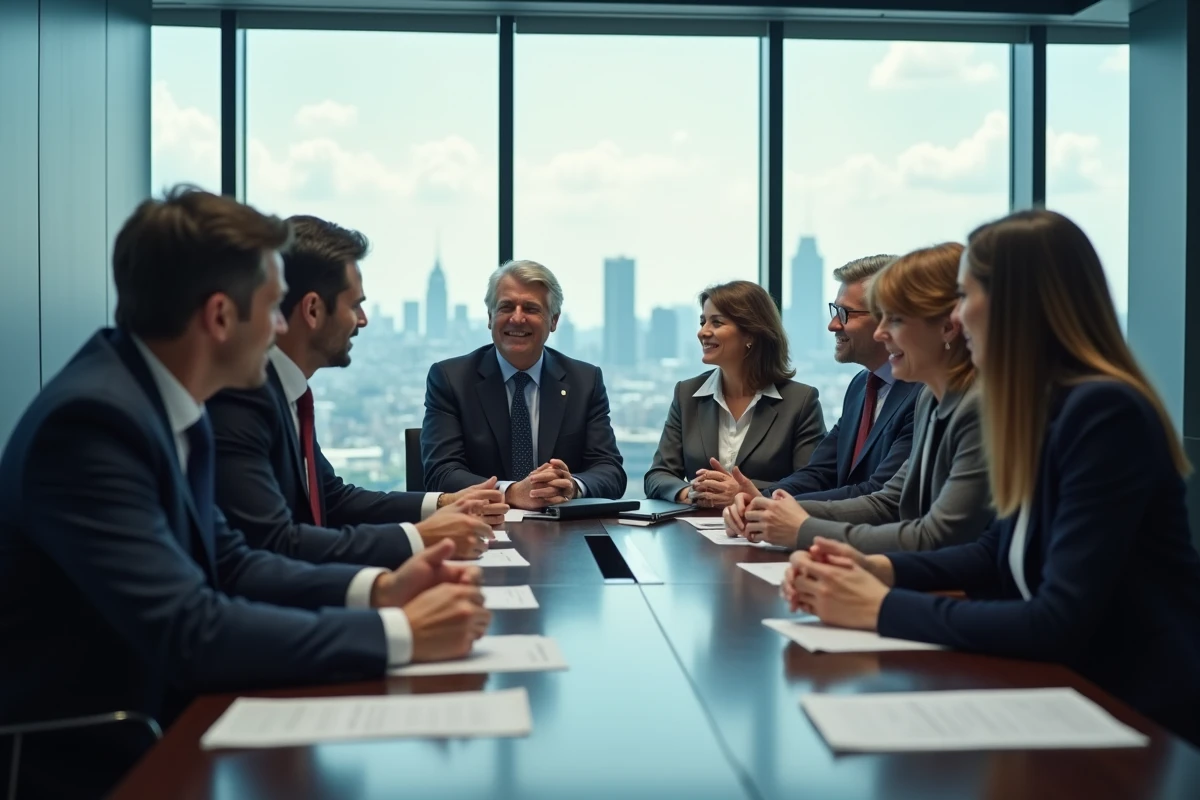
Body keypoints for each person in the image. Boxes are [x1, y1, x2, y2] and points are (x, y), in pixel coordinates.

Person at [0, 188, 490, 799]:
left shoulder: (161, 403)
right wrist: (400, 634)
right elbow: (190, 630)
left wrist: (381, 589)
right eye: (272, 308)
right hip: (102, 756)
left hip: (174, 724)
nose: (282, 326)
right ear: (221, 318)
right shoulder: (93, 425)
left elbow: (229, 560)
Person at [782, 210, 1200, 746]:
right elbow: (993, 550)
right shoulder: (1039, 406)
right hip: (1066, 690)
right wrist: (874, 566)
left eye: (963, 295)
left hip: (1135, 713)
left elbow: (1058, 619)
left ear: (1016, 303)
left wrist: (880, 607)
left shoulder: (1102, 411)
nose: (954, 317)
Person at [208, 215, 503, 564]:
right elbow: (274, 544)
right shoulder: (244, 398)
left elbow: (329, 498)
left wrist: (441, 503)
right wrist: (417, 539)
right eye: (354, 305)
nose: (362, 320)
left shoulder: (286, 390)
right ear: (313, 310)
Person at [725, 242, 993, 553]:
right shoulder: (923, 398)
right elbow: (886, 498)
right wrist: (771, 504)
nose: (882, 333)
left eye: (894, 319)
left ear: (947, 326)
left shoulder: (968, 403)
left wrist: (798, 525)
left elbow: (931, 529)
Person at [699, 256, 920, 506]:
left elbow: (879, 493)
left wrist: (772, 506)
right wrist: (760, 498)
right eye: (835, 311)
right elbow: (820, 472)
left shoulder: (922, 394)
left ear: (889, 319)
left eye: (845, 313)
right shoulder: (860, 386)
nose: (832, 325)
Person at [421, 259, 627, 509]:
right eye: (506, 307)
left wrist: (572, 486)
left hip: (564, 535)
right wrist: (510, 492)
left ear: (553, 321)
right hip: (480, 529)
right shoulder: (451, 379)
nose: (517, 319)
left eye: (531, 308)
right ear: (490, 317)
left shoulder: (584, 381)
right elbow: (441, 474)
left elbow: (610, 471)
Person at [643, 280, 826, 506]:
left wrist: (744, 493)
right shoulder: (687, 394)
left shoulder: (800, 401)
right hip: (695, 535)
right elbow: (657, 476)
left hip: (765, 531)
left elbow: (812, 482)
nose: (702, 332)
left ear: (751, 334)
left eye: (717, 323)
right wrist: (690, 493)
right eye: (702, 322)